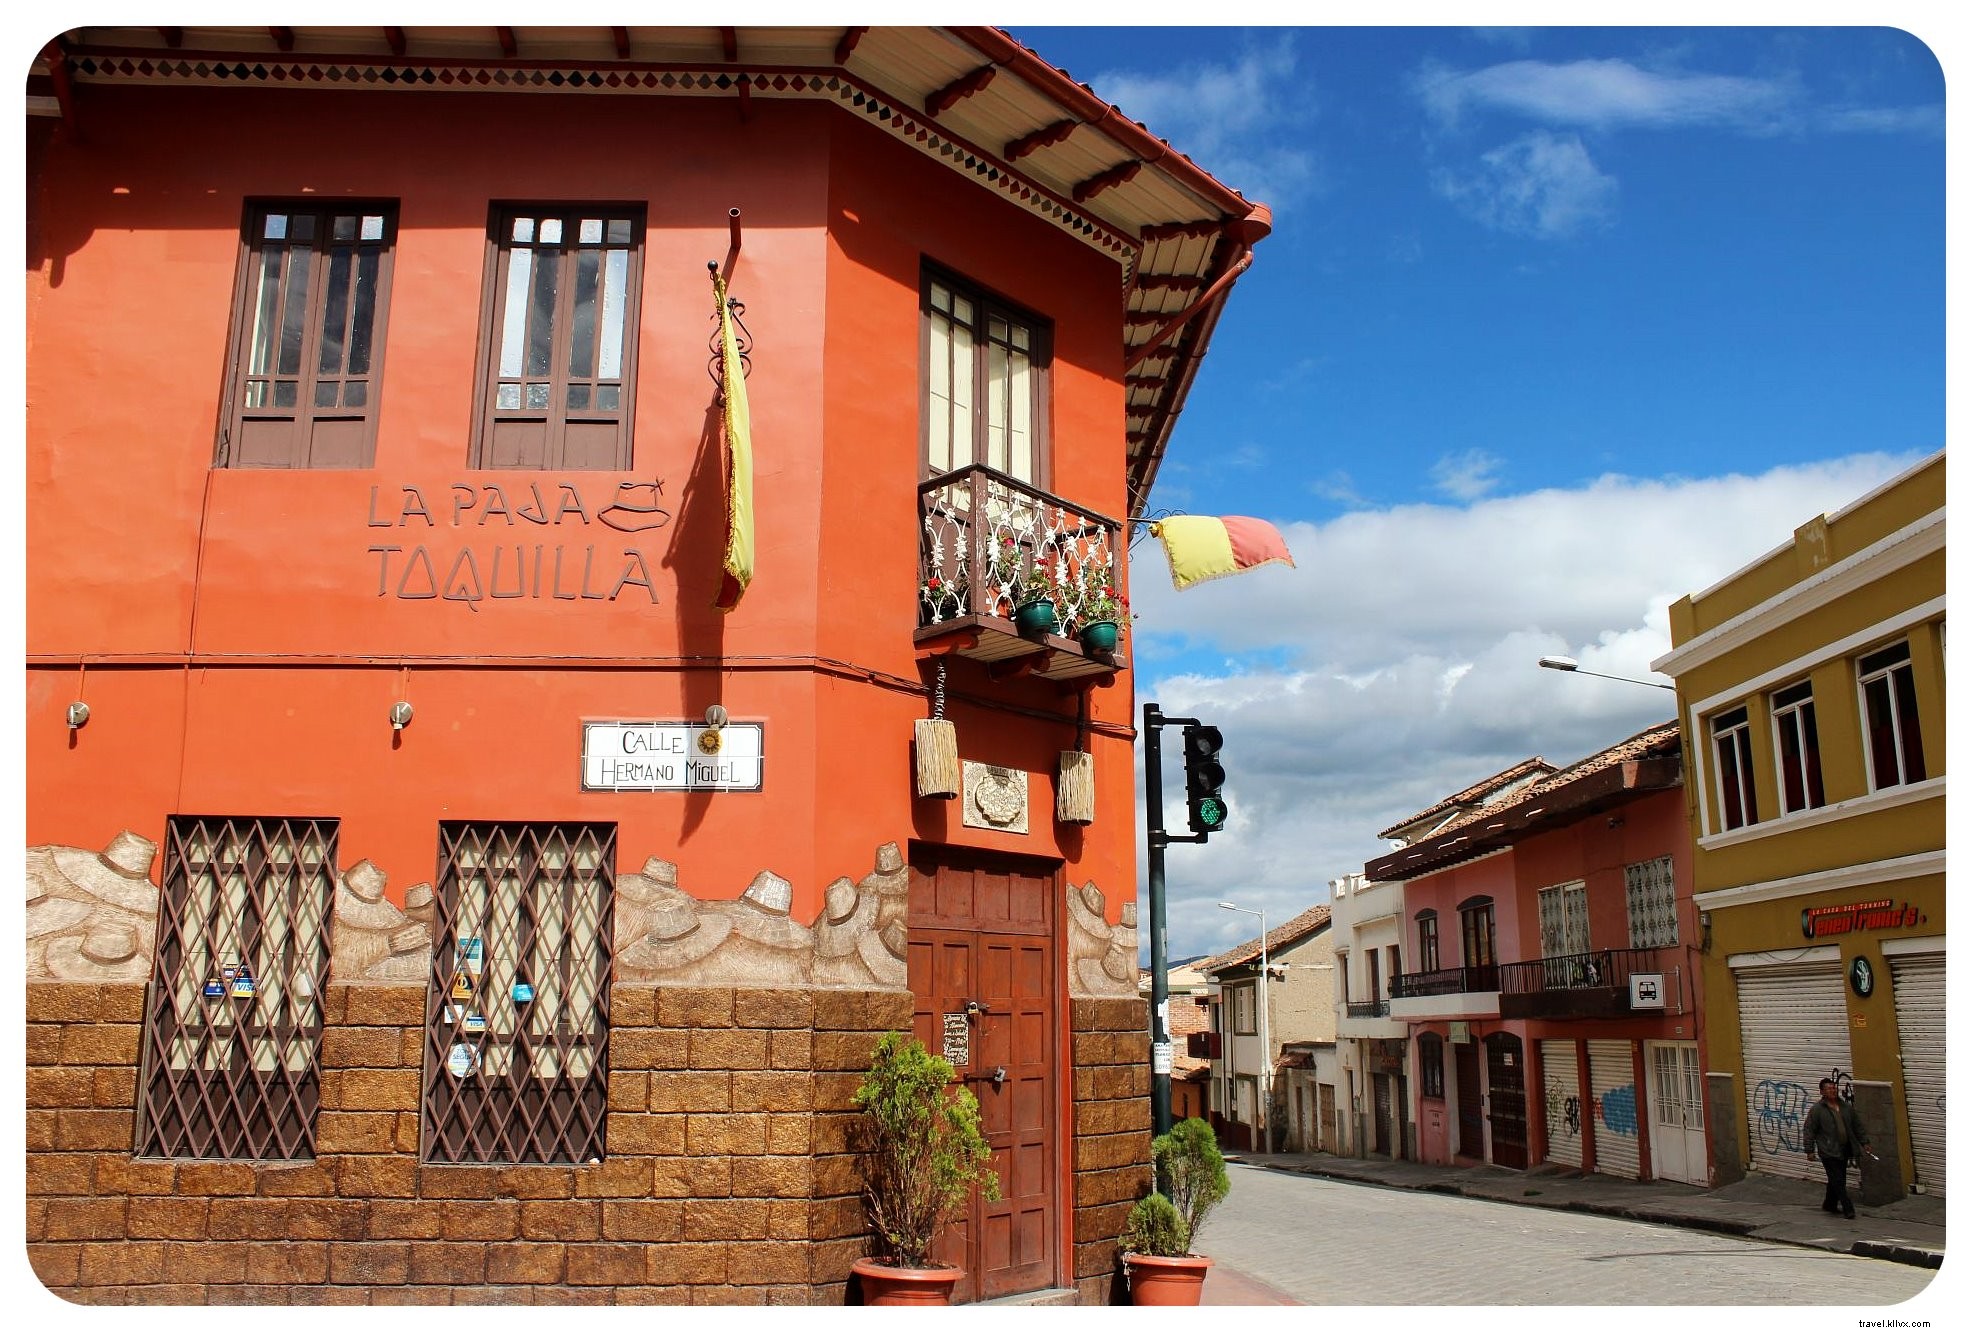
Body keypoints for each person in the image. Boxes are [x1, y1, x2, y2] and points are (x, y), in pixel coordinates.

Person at [1802, 1078, 1868, 1218]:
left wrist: (1864, 1142)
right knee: (1838, 1180)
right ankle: (1848, 1208)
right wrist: (1809, 1150)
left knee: (1837, 1179)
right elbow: (1809, 1130)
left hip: (1843, 1149)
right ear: (1822, 1092)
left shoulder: (1845, 1107)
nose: (1832, 1091)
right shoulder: (1817, 1110)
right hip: (1827, 1150)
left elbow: (1857, 1126)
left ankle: (1829, 1204)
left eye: (1833, 1088)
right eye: (1828, 1089)